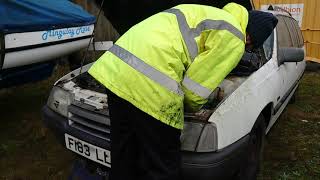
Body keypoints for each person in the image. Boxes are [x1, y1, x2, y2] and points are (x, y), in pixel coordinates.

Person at [88, 3, 278, 180]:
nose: (246, 48)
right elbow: (194, 90)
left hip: (115, 70)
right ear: (251, 36)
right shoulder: (235, 37)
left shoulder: (207, 14)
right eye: (250, 46)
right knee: (164, 166)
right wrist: (196, 105)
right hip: (151, 86)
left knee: (124, 153)